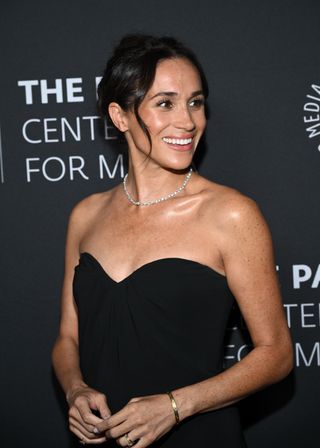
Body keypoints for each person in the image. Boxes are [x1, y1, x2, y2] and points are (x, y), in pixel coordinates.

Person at [52, 34, 293, 448]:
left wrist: (175, 406)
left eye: (195, 102)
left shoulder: (230, 214)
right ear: (120, 115)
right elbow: (68, 338)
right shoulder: (85, 215)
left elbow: (276, 353)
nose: (188, 121)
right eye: (165, 103)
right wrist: (75, 390)